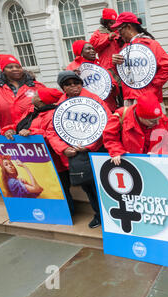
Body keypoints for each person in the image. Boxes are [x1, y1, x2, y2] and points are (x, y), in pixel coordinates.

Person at [46, 71, 112, 228]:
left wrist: (90, 145)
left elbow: (108, 122)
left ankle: (111, 216)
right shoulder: (59, 107)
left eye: (76, 82)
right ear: (63, 88)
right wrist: (63, 149)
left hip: (97, 151)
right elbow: (51, 132)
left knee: (104, 186)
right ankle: (99, 215)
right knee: (88, 187)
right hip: (76, 156)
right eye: (68, 84)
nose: (73, 86)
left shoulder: (95, 100)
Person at [2, 87, 75, 213]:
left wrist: (32, 133)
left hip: (54, 162)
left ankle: (66, 213)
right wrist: (9, 130)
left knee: (61, 190)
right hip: (34, 160)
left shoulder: (55, 114)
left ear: (41, 100)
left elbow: (53, 135)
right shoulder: (31, 111)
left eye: (35, 94)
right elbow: (17, 125)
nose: (32, 94)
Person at [111, 12, 168, 107]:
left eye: (120, 30)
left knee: (150, 121)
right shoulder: (125, 47)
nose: (119, 35)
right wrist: (115, 64)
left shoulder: (150, 44)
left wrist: (151, 85)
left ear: (128, 27)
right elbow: (123, 73)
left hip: (148, 98)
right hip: (129, 97)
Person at [103, 92, 168, 165]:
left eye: (159, 118)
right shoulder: (121, 116)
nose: (157, 122)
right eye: (152, 121)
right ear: (140, 117)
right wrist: (117, 150)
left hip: (154, 166)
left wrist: (159, 153)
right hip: (130, 165)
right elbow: (109, 136)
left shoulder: (163, 120)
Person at [0, 54, 45, 135]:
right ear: (3, 69)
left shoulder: (37, 86)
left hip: (32, 135)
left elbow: (47, 111)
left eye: (18, 67)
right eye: (10, 67)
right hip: (8, 136)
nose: (15, 69)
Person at [66, 40, 120, 112]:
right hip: (87, 107)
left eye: (93, 49)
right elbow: (67, 87)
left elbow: (113, 82)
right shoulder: (72, 67)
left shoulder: (100, 65)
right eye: (88, 49)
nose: (93, 51)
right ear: (80, 51)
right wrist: (71, 76)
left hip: (107, 106)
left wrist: (112, 87)